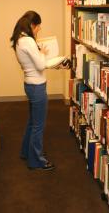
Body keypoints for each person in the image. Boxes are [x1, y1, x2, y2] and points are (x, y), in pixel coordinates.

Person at [10, 10, 67, 171]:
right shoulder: (27, 40)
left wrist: (42, 56)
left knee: (32, 122)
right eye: (38, 27)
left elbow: (33, 64)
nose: (39, 30)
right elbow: (41, 65)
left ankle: (26, 152)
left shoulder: (19, 39)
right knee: (38, 126)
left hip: (30, 84)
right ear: (32, 25)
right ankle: (36, 161)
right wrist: (42, 54)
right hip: (37, 87)